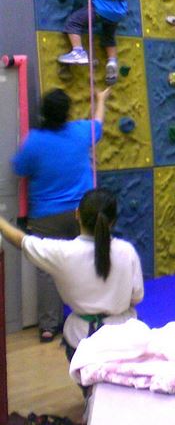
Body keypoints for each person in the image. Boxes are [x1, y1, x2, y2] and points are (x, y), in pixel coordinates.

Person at [11, 87, 110, 342]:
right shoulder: (79, 131)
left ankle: (48, 325)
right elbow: (98, 123)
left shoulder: (33, 141)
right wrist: (100, 99)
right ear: (67, 113)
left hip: (46, 216)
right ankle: (94, 314)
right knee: (89, 259)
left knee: (47, 270)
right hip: (82, 212)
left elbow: (19, 168)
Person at [0, 188, 143, 363]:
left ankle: (87, 388)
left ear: (77, 214)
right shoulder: (127, 251)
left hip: (81, 341)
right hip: (124, 339)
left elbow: (21, 241)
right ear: (112, 222)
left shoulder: (63, 254)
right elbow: (137, 296)